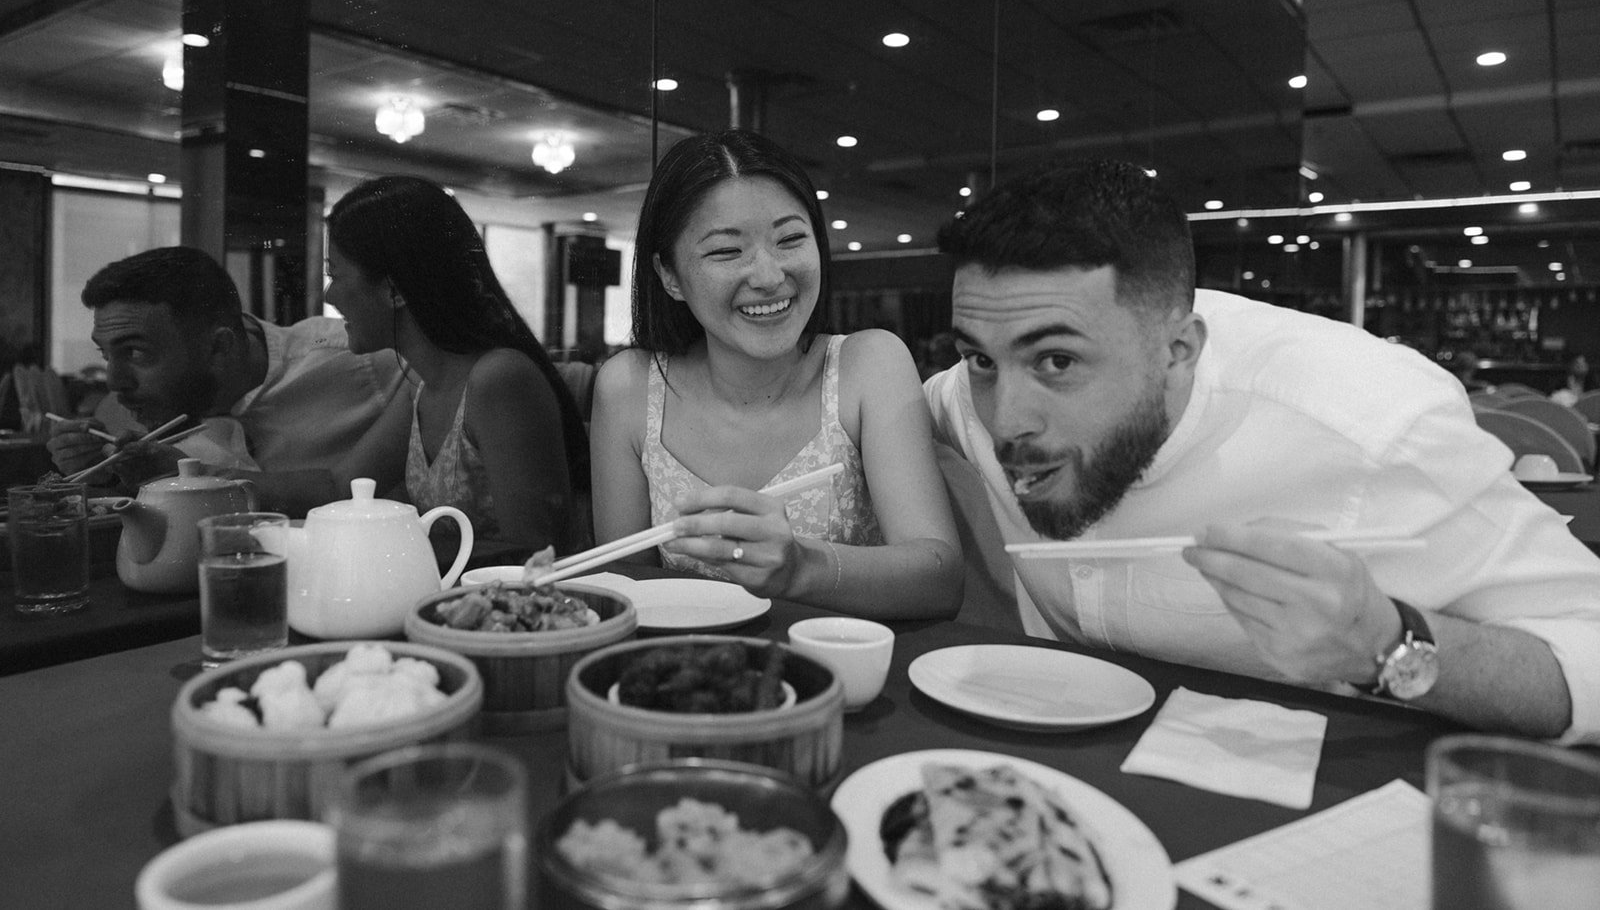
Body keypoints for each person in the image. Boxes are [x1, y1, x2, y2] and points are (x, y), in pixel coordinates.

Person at [924, 158, 1600, 743]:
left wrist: (1385, 644)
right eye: (979, 358)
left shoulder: (1373, 427)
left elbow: (1589, 652)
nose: (1005, 421)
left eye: (1058, 360)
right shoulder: (969, 395)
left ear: (1178, 351)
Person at [590, 129, 960, 619]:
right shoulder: (629, 387)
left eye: (789, 239)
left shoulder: (868, 366)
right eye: (726, 251)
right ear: (669, 276)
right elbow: (624, 589)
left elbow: (939, 580)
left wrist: (800, 568)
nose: (768, 276)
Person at [231, 176, 589, 553]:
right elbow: (341, 485)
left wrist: (390, 550)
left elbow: (536, 551)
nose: (329, 294)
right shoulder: (420, 381)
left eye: (335, 275)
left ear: (395, 290)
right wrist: (218, 482)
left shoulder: (498, 378)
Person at [47, 247, 403, 489]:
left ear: (220, 346)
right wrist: (92, 470)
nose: (115, 381)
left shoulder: (360, 358)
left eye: (137, 352)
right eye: (107, 355)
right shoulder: (123, 413)